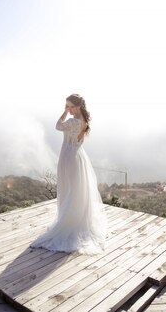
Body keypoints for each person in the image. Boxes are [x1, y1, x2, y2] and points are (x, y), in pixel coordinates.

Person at [31, 94, 107, 254]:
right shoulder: (85, 120)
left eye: (71, 106)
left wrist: (64, 113)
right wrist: (68, 110)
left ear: (78, 106)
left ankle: (67, 223)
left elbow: (58, 126)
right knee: (76, 191)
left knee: (69, 190)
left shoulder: (73, 121)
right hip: (79, 156)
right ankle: (75, 220)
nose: (69, 109)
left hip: (69, 157)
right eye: (67, 106)